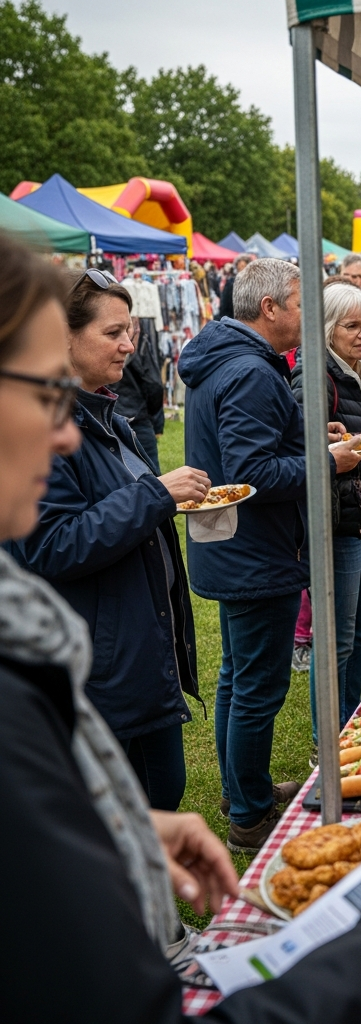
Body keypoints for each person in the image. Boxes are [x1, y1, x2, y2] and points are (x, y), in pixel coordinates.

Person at [0, 233, 361, 1021]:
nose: (68, 428)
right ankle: (249, 805)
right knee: (255, 680)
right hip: (227, 579)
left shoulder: (28, 662)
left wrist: (118, 825)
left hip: (150, 646)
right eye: (46, 391)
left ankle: (238, 806)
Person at [178, 259, 361, 852]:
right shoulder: (251, 371)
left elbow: (254, 446)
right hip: (256, 552)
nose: (309, 314)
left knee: (239, 677)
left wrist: (312, 436)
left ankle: (245, 793)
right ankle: (251, 816)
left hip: (233, 546)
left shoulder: (226, 358)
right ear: (270, 309)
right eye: (301, 301)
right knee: (257, 685)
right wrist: (327, 463)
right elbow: (252, 470)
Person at [10, 268, 207, 811]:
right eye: (113, 332)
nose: (128, 345)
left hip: (140, 656)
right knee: (124, 817)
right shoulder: (42, 427)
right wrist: (156, 496)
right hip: (102, 672)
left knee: (162, 793)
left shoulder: (105, 414)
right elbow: (51, 545)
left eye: (130, 331)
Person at [292, 284, 361, 741]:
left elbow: (353, 441)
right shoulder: (315, 378)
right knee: (337, 640)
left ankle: (349, 725)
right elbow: (311, 456)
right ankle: (329, 741)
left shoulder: (355, 371)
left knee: (360, 633)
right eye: (352, 326)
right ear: (326, 329)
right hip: (337, 521)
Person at [109, 315, 166, 472]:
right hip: (134, 417)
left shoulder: (139, 330)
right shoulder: (138, 335)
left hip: (128, 415)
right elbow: (153, 383)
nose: (128, 347)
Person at [216, 254, 252, 321]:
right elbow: (225, 303)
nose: (242, 269)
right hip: (233, 317)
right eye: (240, 267)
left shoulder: (252, 283)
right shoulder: (231, 283)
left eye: (244, 266)